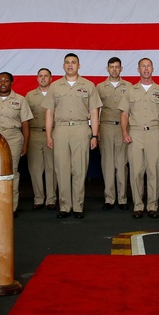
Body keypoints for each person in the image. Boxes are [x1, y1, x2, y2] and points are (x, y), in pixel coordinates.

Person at [44, 53, 102, 219]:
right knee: (61, 169)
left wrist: (94, 135)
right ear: (63, 66)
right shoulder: (55, 86)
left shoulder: (89, 85)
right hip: (61, 130)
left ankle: (78, 206)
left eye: (73, 62)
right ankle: (64, 206)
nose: (70, 65)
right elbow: (49, 112)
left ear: (79, 65)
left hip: (81, 128)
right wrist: (49, 135)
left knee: (79, 169)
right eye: (67, 63)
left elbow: (94, 112)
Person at [119, 58, 159, 219]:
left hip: (154, 133)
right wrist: (124, 133)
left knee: (153, 171)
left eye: (148, 66)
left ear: (153, 69)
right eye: (143, 66)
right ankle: (138, 205)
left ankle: (152, 206)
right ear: (138, 70)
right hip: (135, 133)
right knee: (136, 171)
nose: (146, 69)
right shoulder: (131, 90)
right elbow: (124, 114)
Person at [0, 72, 32, 214]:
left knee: (12, 171)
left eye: (6, 81)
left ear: (12, 82)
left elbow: (25, 124)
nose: (3, 83)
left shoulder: (20, 100)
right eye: (0, 81)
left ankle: (11, 207)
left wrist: (25, 144)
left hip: (13, 137)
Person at [96, 57, 130, 210]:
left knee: (122, 164)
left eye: (117, 67)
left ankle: (122, 199)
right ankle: (109, 198)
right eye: (112, 67)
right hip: (106, 127)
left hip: (123, 128)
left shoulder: (129, 86)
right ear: (107, 69)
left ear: (121, 69)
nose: (114, 70)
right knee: (107, 164)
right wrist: (95, 132)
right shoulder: (100, 87)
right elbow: (95, 110)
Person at [25, 68, 57, 210]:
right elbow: (25, 119)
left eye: (46, 76)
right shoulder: (30, 96)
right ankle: (38, 198)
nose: (43, 78)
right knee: (35, 168)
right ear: (37, 78)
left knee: (52, 167)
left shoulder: (56, 93)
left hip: (54, 134)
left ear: (51, 79)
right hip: (35, 133)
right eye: (40, 76)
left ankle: (51, 199)